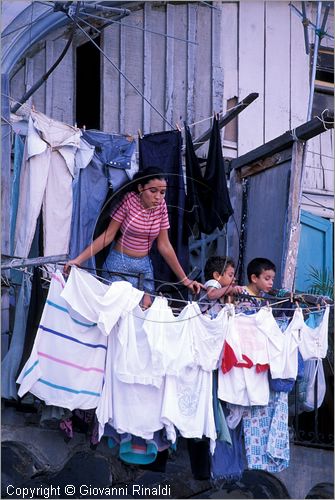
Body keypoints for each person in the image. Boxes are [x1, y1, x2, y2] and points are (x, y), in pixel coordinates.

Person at [64, 167, 203, 308]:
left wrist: (185, 280)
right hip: (118, 265)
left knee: (142, 314)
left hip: (144, 268)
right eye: (153, 191)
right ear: (141, 188)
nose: (158, 197)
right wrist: (78, 260)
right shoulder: (129, 200)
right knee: (115, 311)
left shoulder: (161, 206)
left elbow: (164, 245)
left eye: (162, 192)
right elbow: (108, 236)